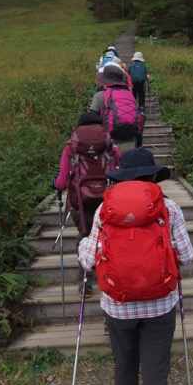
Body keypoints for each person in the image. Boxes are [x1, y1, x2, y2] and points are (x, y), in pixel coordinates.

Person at [78, 149, 193, 385]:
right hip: (160, 303)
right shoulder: (169, 208)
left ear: (120, 178)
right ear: (153, 176)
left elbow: (88, 260)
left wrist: (82, 246)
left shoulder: (105, 210)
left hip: (117, 305)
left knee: (125, 363)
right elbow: (187, 255)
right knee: (155, 375)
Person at [53, 111, 121, 295]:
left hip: (80, 205)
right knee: (110, 237)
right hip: (108, 203)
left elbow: (61, 182)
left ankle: (85, 283)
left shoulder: (71, 149)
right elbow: (122, 171)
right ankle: (113, 278)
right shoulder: (110, 147)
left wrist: (55, 184)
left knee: (84, 236)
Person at [90, 62, 143, 152]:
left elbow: (92, 118)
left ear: (104, 80)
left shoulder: (99, 95)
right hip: (131, 139)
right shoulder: (129, 95)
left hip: (109, 140)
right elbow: (139, 116)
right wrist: (139, 142)